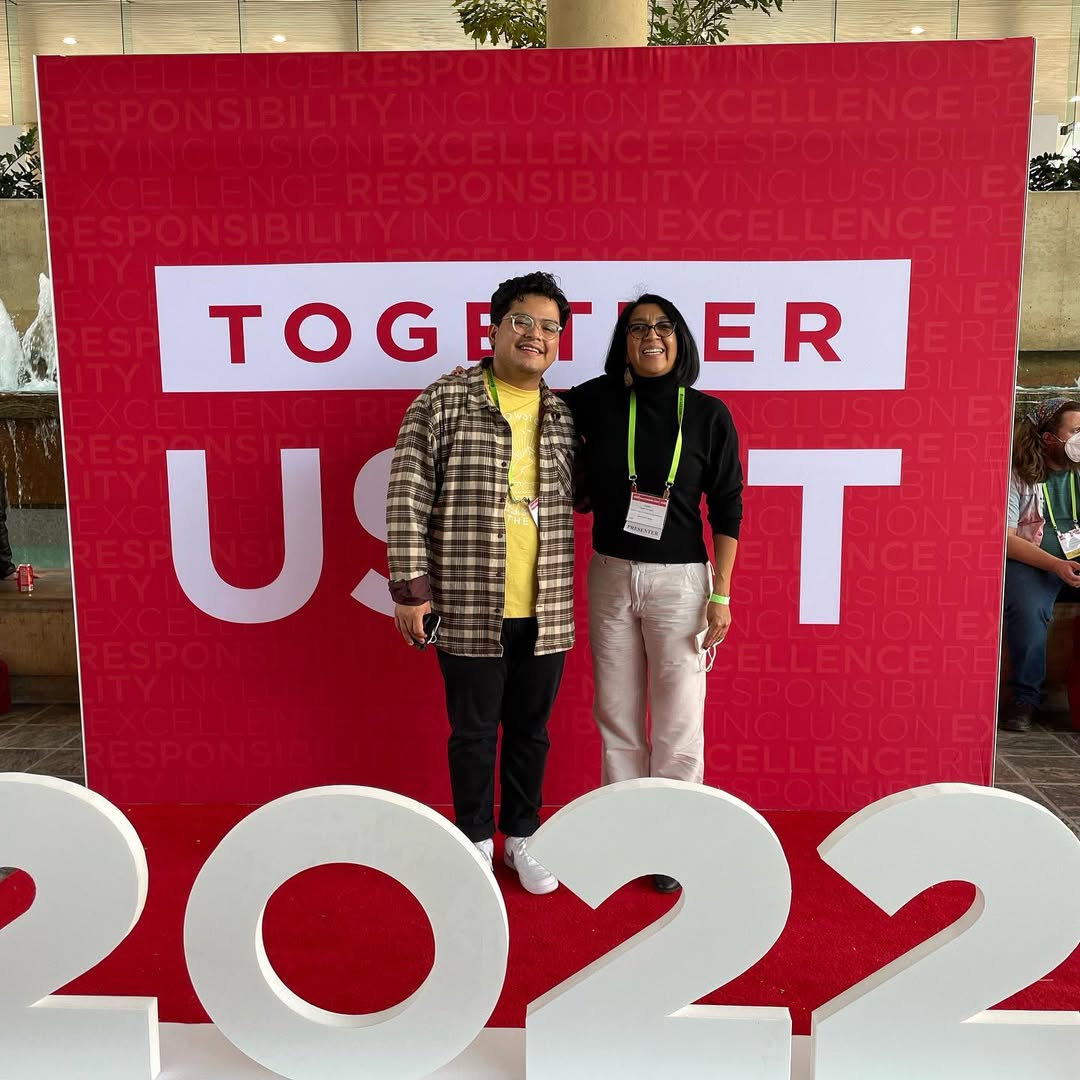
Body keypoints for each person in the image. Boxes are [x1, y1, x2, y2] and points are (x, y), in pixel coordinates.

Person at [385, 271, 577, 894]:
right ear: (493, 330)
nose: (535, 335)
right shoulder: (444, 401)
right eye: (521, 321)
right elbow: (407, 494)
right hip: (469, 600)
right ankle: (473, 839)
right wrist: (411, 591)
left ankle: (522, 838)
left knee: (531, 732)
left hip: (546, 603)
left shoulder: (564, 415)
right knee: (472, 732)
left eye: (549, 327)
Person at [561, 294, 743, 893]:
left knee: (678, 721)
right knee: (616, 714)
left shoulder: (709, 414)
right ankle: (625, 834)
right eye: (637, 328)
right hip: (611, 575)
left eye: (663, 326)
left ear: (680, 338)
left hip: (682, 583)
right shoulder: (597, 400)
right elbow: (530, 398)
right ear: (624, 343)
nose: (651, 336)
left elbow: (729, 508)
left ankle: (673, 841)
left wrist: (721, 595)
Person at [1001, 397, 1080, 732]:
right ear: (1049, 438)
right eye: (1075, 431)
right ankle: (1025, 699)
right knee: (1029, 610)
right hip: (1033, 562)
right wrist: (1055, 565)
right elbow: (1005, 540)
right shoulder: (1016, 474)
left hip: (1074, 562)